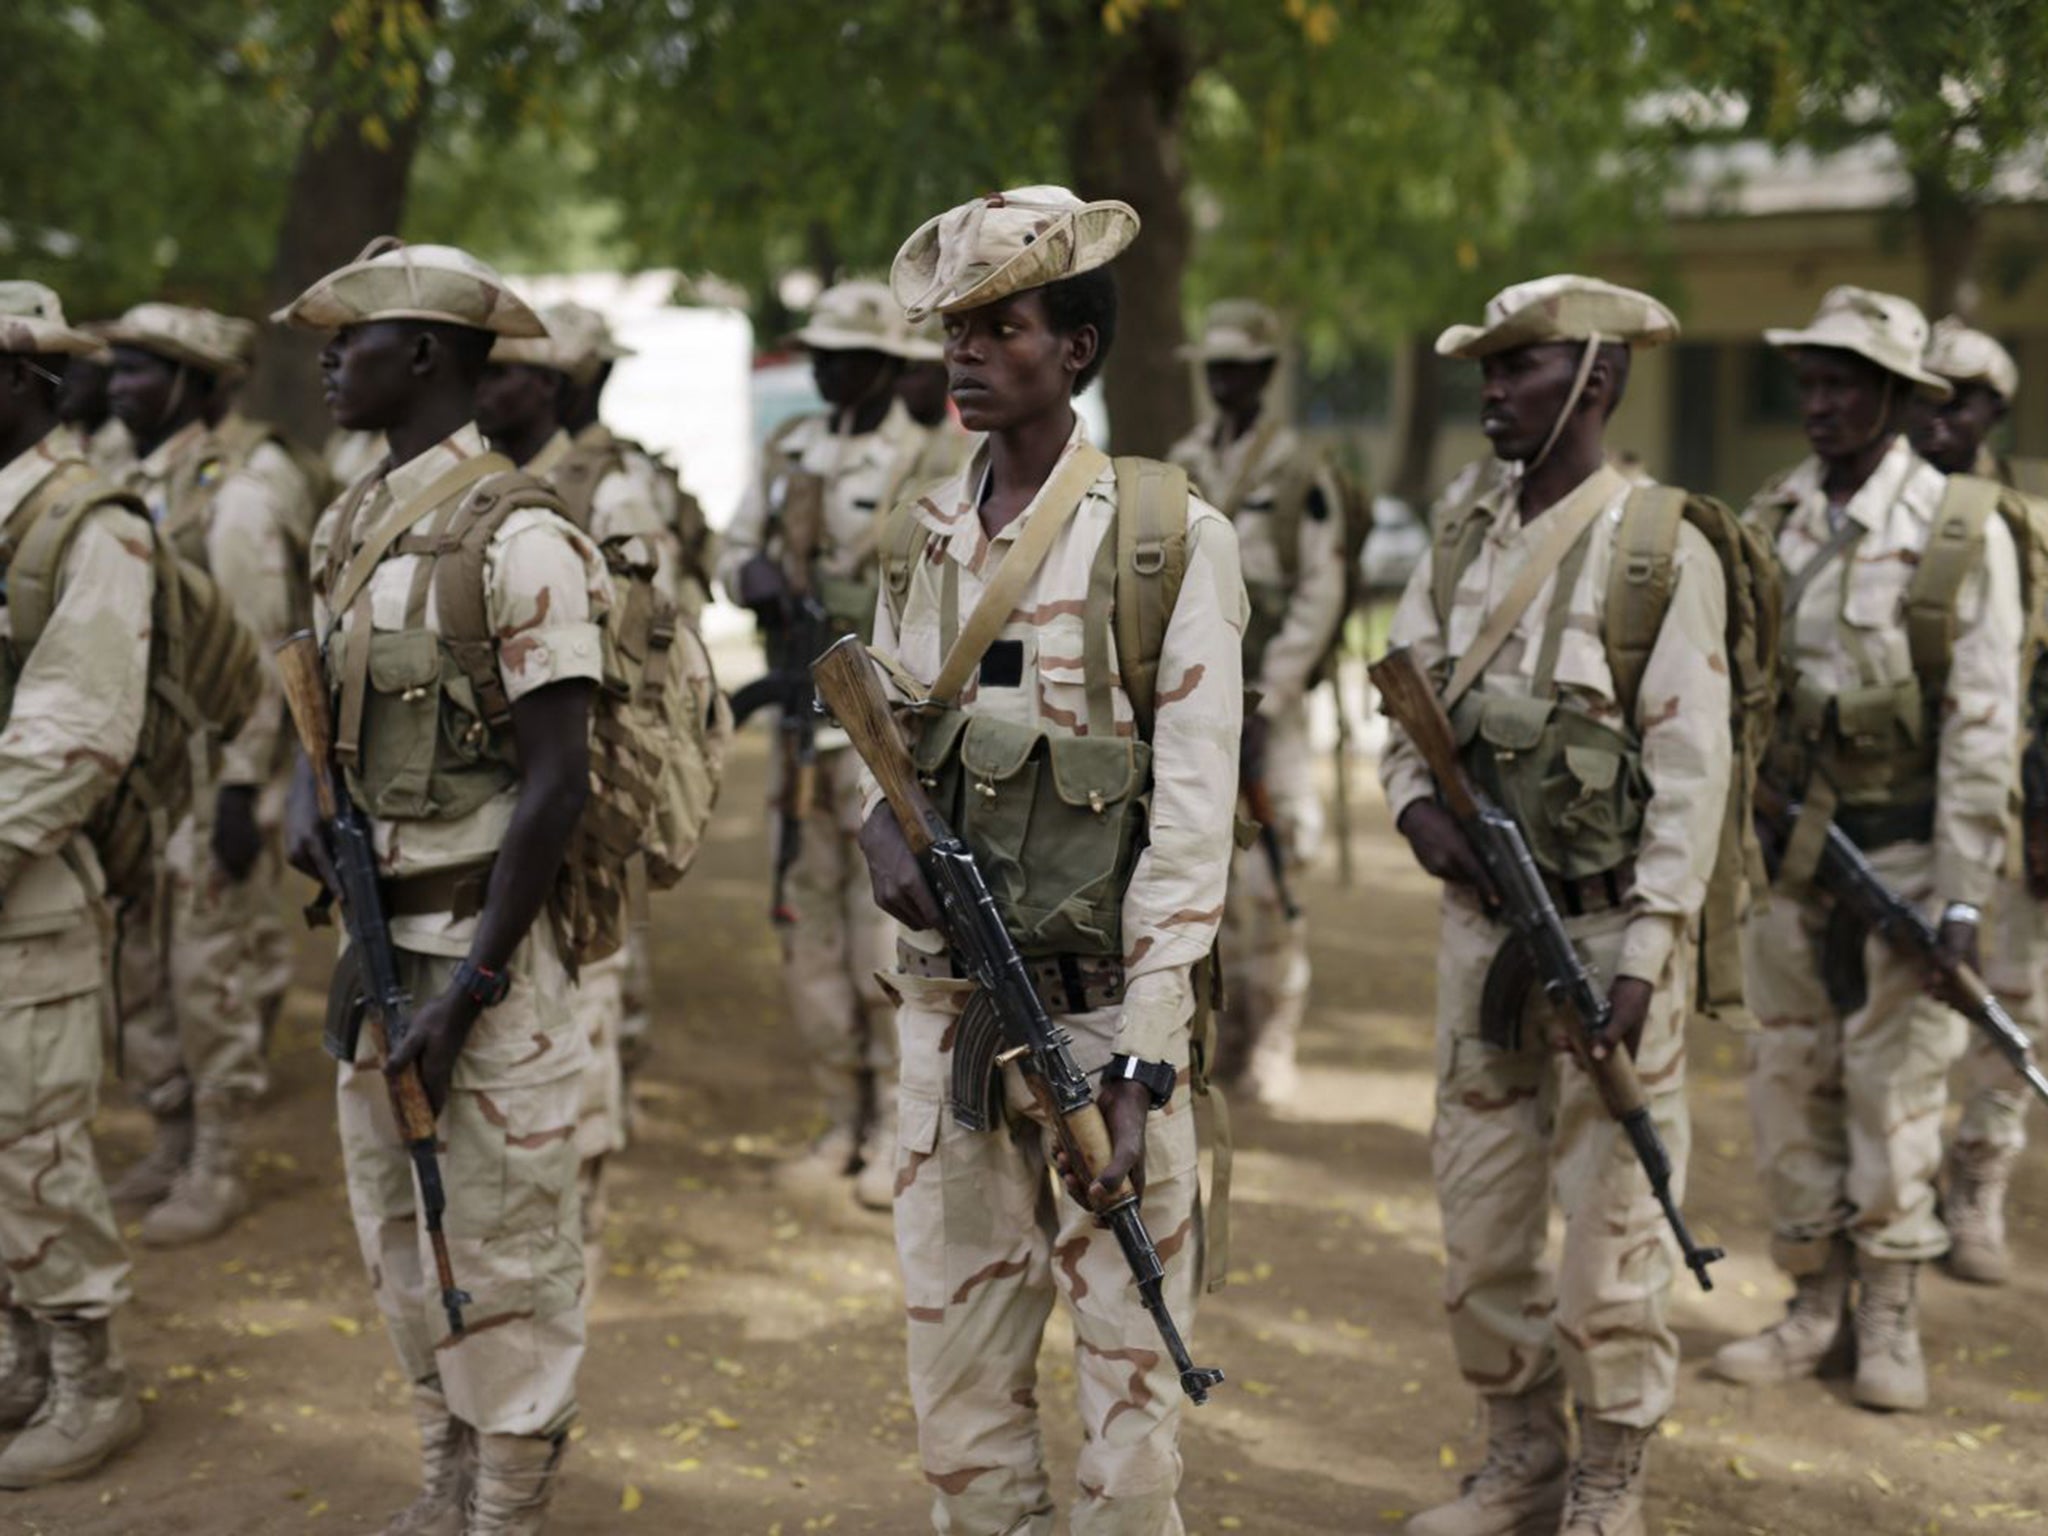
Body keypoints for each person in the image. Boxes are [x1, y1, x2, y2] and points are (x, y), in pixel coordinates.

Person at [861, 185, 1244, 1535]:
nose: (966, 355)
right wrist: (879, 828)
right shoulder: (920, 534)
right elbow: (888, 732)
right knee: (958, 1397)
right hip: (951, 1023)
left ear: (1076, 347)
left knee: (1131, 1411)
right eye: (955, 330)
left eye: (999, 327)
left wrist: (1144, 1063)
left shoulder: (1165, 539)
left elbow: (1196, 817)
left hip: (1100, 1022)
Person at [1380, 276, 1728, 1536]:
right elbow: (1402, 707)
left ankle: (1609, 1475)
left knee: (1615, 1227)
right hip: (1483, 940)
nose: (1491, 390)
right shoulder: (1461, 536)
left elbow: (1691, 774)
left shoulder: (1657, 549)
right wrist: (1416, 814)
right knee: (1478, 1219)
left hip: (1604, 937)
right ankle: (1518, 1451)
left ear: (1597, 378)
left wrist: (1648, 953)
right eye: (1486, 368)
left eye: (1520, 367)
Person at [279, 238, 610, 1533]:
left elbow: (558, 784)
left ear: (422, 355)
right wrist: (315, 805)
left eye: (350, 336)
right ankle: (445, 1474)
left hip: (487, 965)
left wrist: (470, 991)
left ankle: (507, 1504)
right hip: (378, 958)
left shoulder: (520, 536)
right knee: (399, 1232)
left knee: (506, 1246)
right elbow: (325, 719)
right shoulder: (346, 521)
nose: (326, 358)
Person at [1713, 288, 2022, 1413]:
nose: (1821, 402)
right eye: (1809, 381)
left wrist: (1957, 898)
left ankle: (1889, 1314)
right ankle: (1812, 1303)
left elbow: (1982, 722)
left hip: (1900, 855)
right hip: (1784, 860)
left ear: (1896, 398)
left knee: (1894, 1090)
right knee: (1787, 1078)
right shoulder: (1771, 514)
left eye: (1845, 382)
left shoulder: (1952, 528)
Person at [718, 278, 935, 1212]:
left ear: (888, 363)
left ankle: (895, 1125)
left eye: (845, 353)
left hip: (875, 735)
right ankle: (837, 1117)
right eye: (819, 353)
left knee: (877, 931)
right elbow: (731, 551)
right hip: (798, 736)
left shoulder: (926, 464)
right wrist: (753, 574)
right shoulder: (789, 448)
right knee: (804, 930)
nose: (826, 368)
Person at [98, 304, 310, 1246]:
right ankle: (171, 1136)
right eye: (118, 367)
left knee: (207, 970)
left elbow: (262, 655)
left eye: (142, 370)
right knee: (137, 967)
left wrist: (240, 789)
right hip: (138, 775)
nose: (117, 385)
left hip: (208, 772)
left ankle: (218, 1160)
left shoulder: (237, 499)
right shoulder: (124, 478)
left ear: (196, 385)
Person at [476, 307, 675, 1292]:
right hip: (495, 791)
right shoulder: (473, 483)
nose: (485, 386)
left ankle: (581, 1226)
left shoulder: (610, 486)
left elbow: (645, 642)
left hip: (583, 782)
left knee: (586, 995)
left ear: (548, 386)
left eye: (506, 373)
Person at [0, 281, 150, 1487]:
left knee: (31, 1142)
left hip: (28, 890)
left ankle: (89, 1380)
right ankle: (18, 1362)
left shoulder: (89, 525)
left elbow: (79, 734)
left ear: (27, 385)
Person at [1168, 299, 1345, 1106]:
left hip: (1267, 704)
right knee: (1199, 864)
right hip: (1194, 699)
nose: (1227, 380)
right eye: (1217, 366)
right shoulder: (1183, 460)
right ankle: (1219, 1036)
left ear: (1269, 374)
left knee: (1273, 880)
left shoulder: (1301, 469)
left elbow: (1321, 590)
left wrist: (1270, 694)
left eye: (1242, 367)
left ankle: (1272, 1042)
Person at [1908, 317, 2043, 1285]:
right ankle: (1900, 1187)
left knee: (2015, 1003)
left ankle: (1977, 1178)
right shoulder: (1881, 512)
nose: (1935, 417)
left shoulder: (2021, 526)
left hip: (2013, 810)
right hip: (1902, 809)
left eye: (1957, 399)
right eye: (1921, 395)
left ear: (1993, 410)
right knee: (1904, 1009)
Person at [895, 313, 976, 484]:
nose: (907, 382)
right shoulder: (888, 441)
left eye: (918, 370)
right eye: (903, 370)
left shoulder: (967, 444)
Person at [54, 331, 134, 477]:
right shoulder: (69, 436)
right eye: (64, 377)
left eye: (79, 378)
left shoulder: (129, 439)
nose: (65, 387)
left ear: (106, 381)